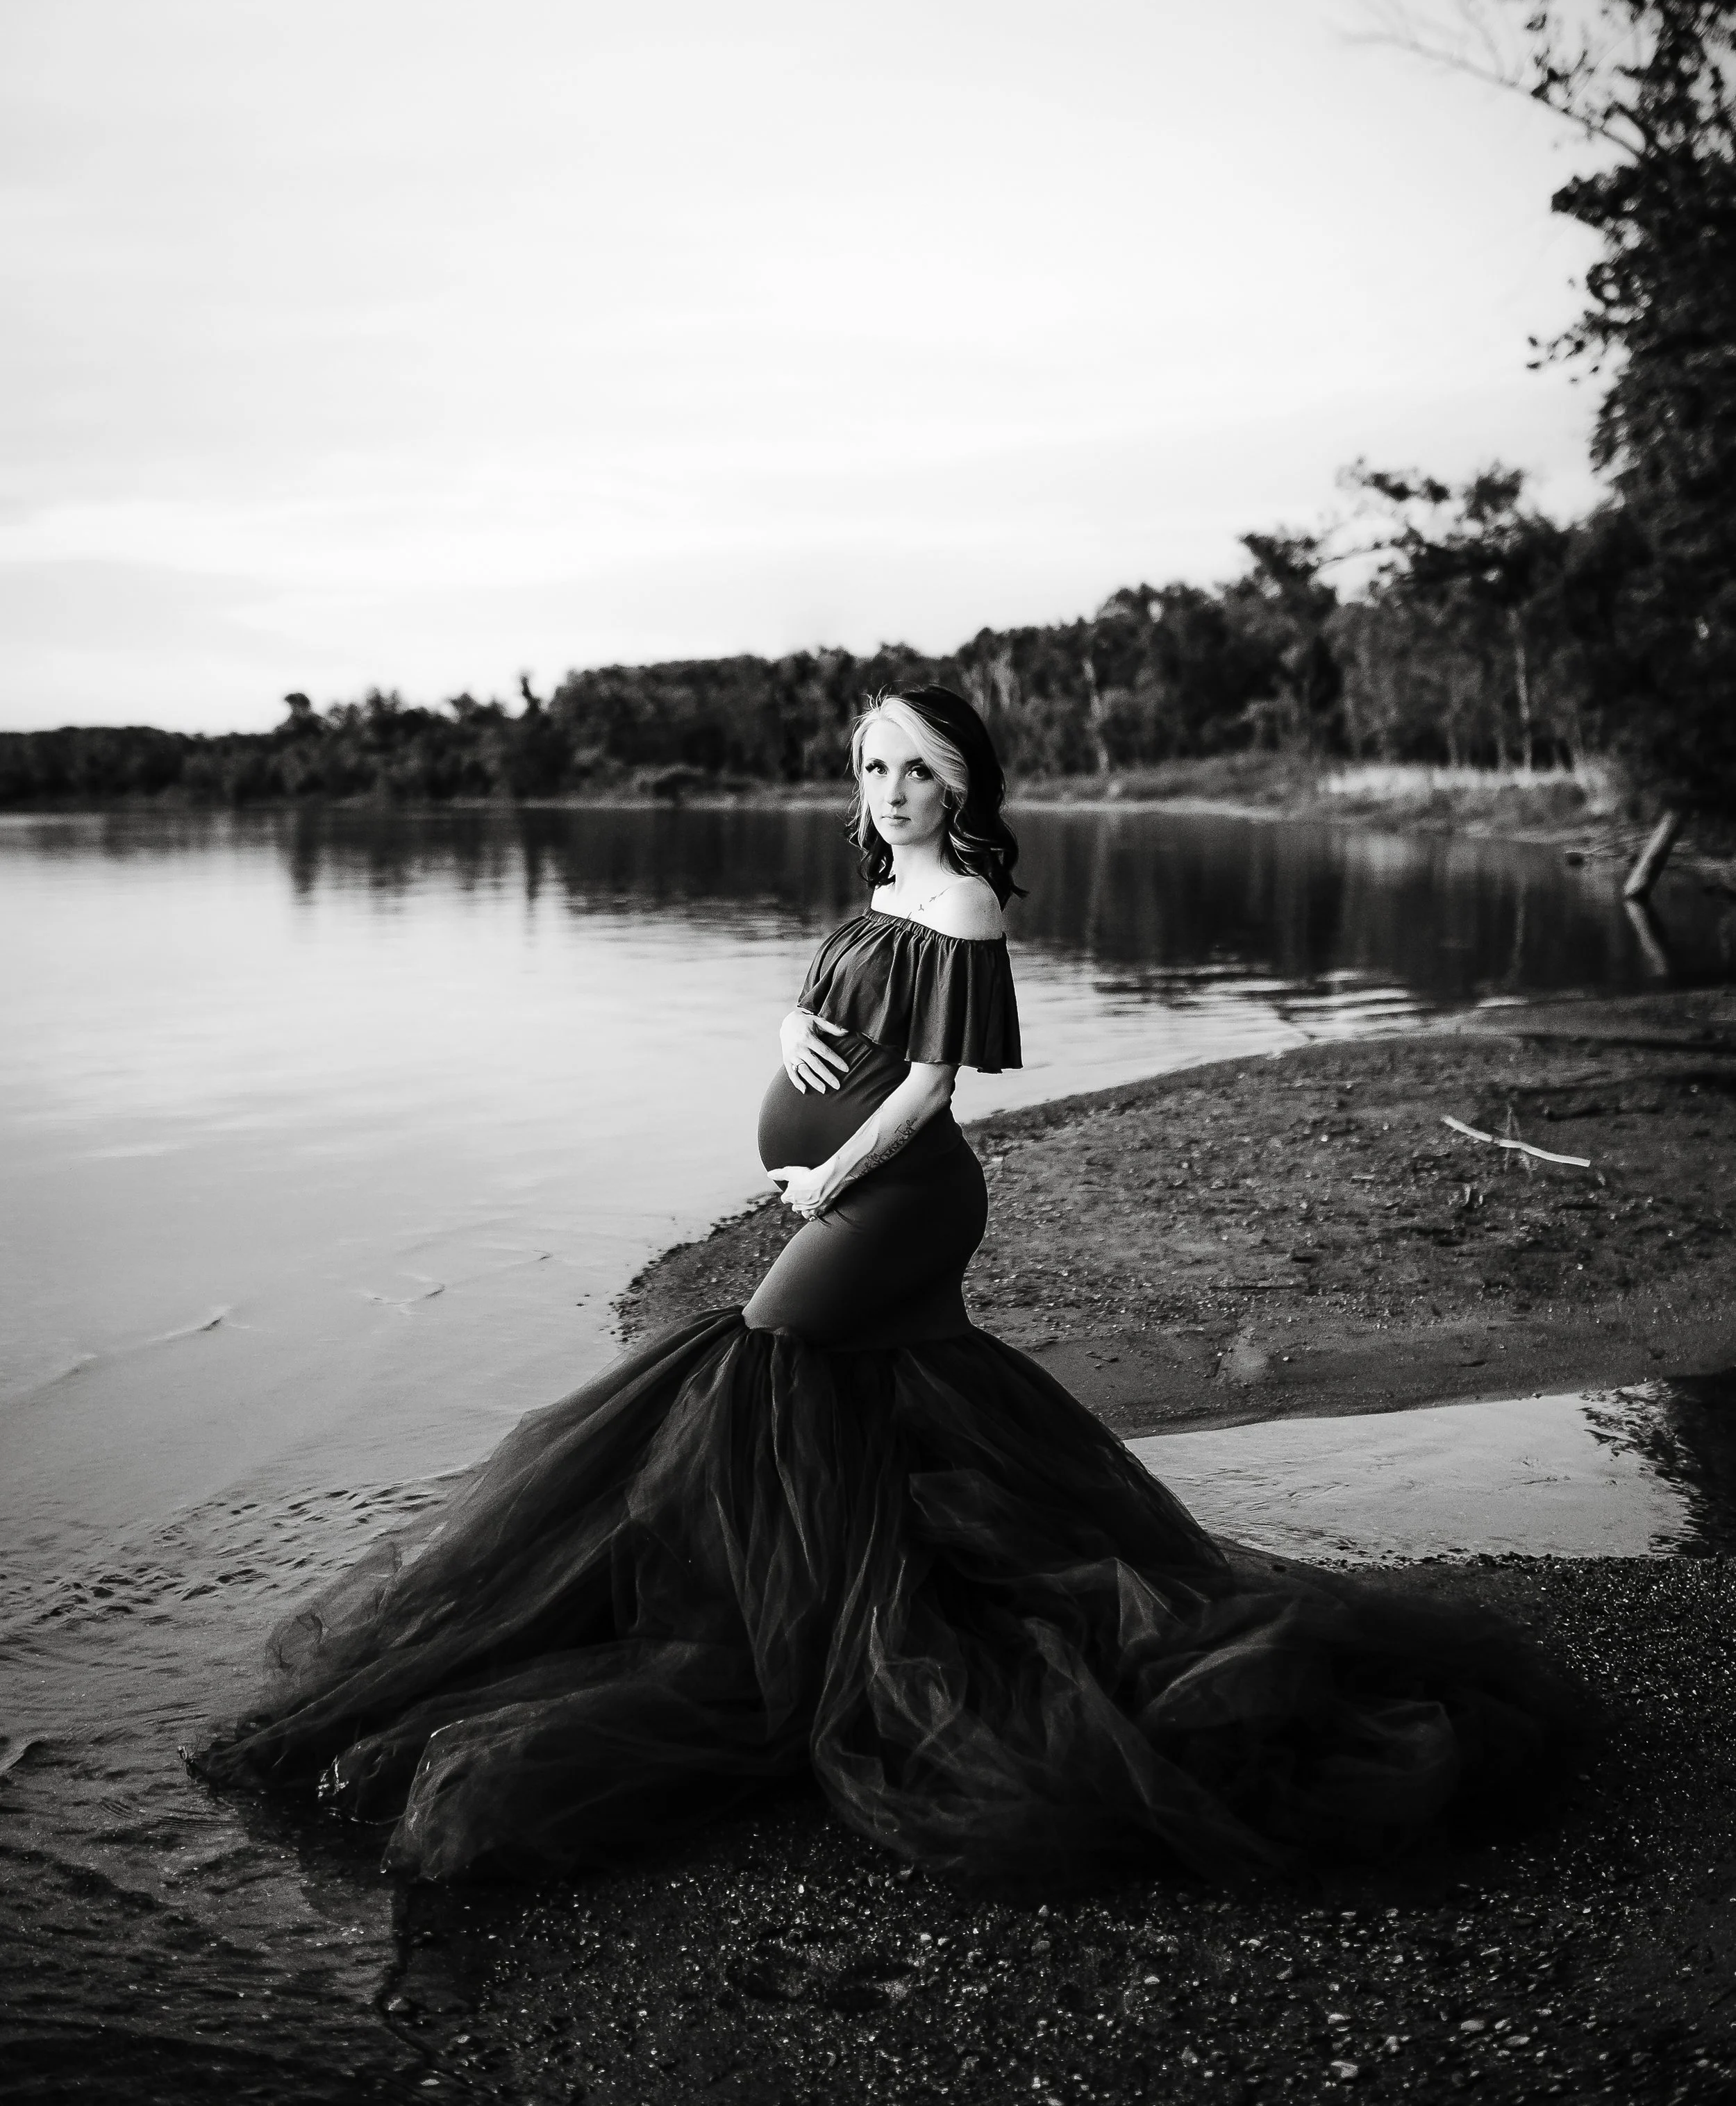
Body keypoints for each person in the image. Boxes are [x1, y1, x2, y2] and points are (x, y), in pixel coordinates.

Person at [193, 686, 1578, 1884]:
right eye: (872, 763)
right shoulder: (878, 895)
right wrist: (790, 1012)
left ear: (961, 781)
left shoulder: (964, 895)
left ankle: (783, 1640)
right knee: (893, 1392)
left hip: (899, 1194)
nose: (892, 787)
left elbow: (927, 1085)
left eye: (918, 764)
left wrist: (822, 1181)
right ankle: (850, 1599)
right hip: (856, 1187)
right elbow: (840, 1010)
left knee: (759, 1339)